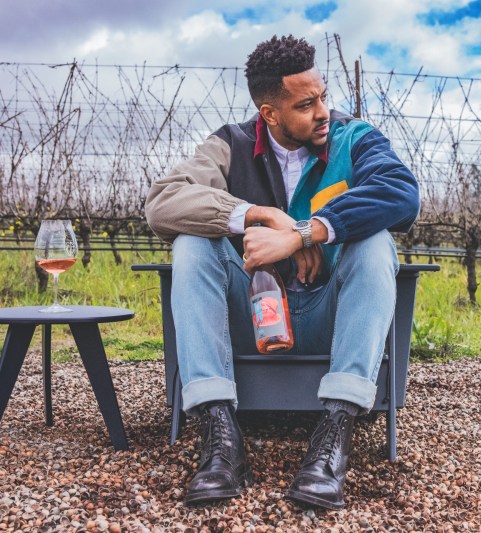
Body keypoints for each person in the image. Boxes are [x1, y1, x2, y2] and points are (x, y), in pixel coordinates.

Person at [144, 35, 419, 510]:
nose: (323, 113)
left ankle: (335, 432)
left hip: (328, 317)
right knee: (190, 244)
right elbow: (162, 202)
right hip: (251, 317)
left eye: (324, 97)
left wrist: (306, 232)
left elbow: (401, 193)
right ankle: (219, 437)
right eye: (306, 104)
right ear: (269, 114)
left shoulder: (354, 137)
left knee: (377, 242)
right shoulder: (229, 144)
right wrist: (256, 214)